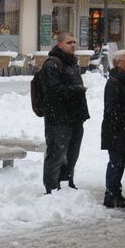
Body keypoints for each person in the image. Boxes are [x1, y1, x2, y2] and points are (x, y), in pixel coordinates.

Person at [39, 32, 89, 194]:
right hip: (58, 118)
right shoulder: (52, 64)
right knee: (56, 154)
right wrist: (77, 90)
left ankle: (67, 184)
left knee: (72, 154)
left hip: (75, 117)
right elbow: (54, 91)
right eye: (69, 42)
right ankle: (52, 188)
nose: (73, 45)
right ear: (59, 44)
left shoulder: (71, 63)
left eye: (74, 42)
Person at [101, 50, 125, 208]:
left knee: (120, 161)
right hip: (115, 129)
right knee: (116, 162)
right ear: (118, 63)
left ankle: (116, 193)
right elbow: (111, 108)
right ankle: (111, 194)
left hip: (122, 128)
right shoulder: (114, 82)